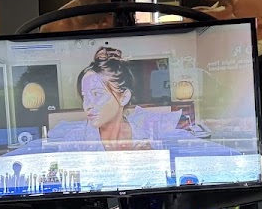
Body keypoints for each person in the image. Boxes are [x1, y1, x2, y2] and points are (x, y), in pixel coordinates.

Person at [37, 46, 234, 154]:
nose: (87, 104)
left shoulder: (153, 135)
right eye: (84, 96)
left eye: (96, 94)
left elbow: (217, 154)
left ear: (124, 97)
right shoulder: (74, 142)